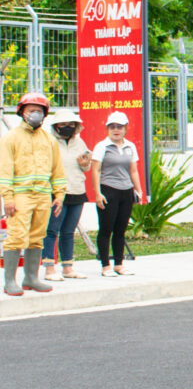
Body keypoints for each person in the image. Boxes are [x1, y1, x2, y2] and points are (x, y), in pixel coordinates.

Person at [0, 93, 67, 295]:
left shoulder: (49, 140)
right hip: (20, 196)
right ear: (22, 112)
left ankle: (31, 278)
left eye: (39, 110)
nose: (35, 114)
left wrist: (59, 195)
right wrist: (7, 197)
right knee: (16, 236)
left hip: (43, 196)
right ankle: (10, 281)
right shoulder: (11, 138)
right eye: (31, 110)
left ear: (45, 114)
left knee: (37, 237)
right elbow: (4, 170)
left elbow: (57, 170)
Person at [91, 111, 143, 277]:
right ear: (107, 128)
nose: (116, 130)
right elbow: (96, 170)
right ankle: (105, 265)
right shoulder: (102, 146)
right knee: (106, 229)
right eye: (112, 127)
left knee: (120, 230)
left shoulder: (130, 146)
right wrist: (98, 193)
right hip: (108, 190)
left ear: (125, 128)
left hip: (126, 192)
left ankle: (119, 264)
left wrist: (139, 191)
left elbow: (133, 170)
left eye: (119, 127)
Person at [41, 109, 91, 281]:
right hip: (56, 192)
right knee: (51, 230)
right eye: (63, 124)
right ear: (56, 126)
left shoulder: (80, 142)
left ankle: (68, 268)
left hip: (77, 190)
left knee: (68, 231)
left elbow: (86, 166)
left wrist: (85, 164)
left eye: (71, 124)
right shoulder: (49, 141)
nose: (67, 127)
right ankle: (49, 268)